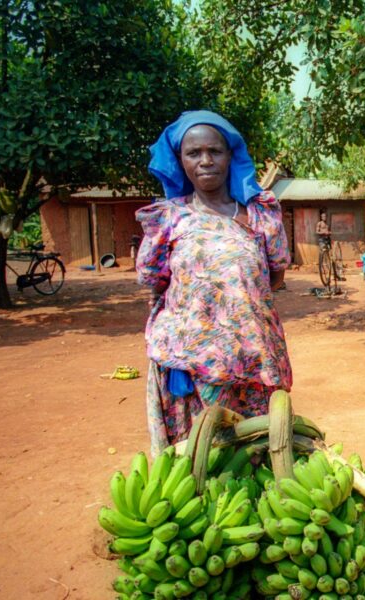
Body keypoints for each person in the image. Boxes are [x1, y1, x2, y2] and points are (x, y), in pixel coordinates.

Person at [136, 110, 293, 456]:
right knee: (200, 456)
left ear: (230, 156)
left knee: (253, 453)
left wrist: (239, 298)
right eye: (193, 153)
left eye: (215, 151)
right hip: (193, 365)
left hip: (253, 359)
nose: (205, 161)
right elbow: (153, 280)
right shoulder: (169, 218)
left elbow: (276, 272)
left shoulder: (258, 215)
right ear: (180, 160)